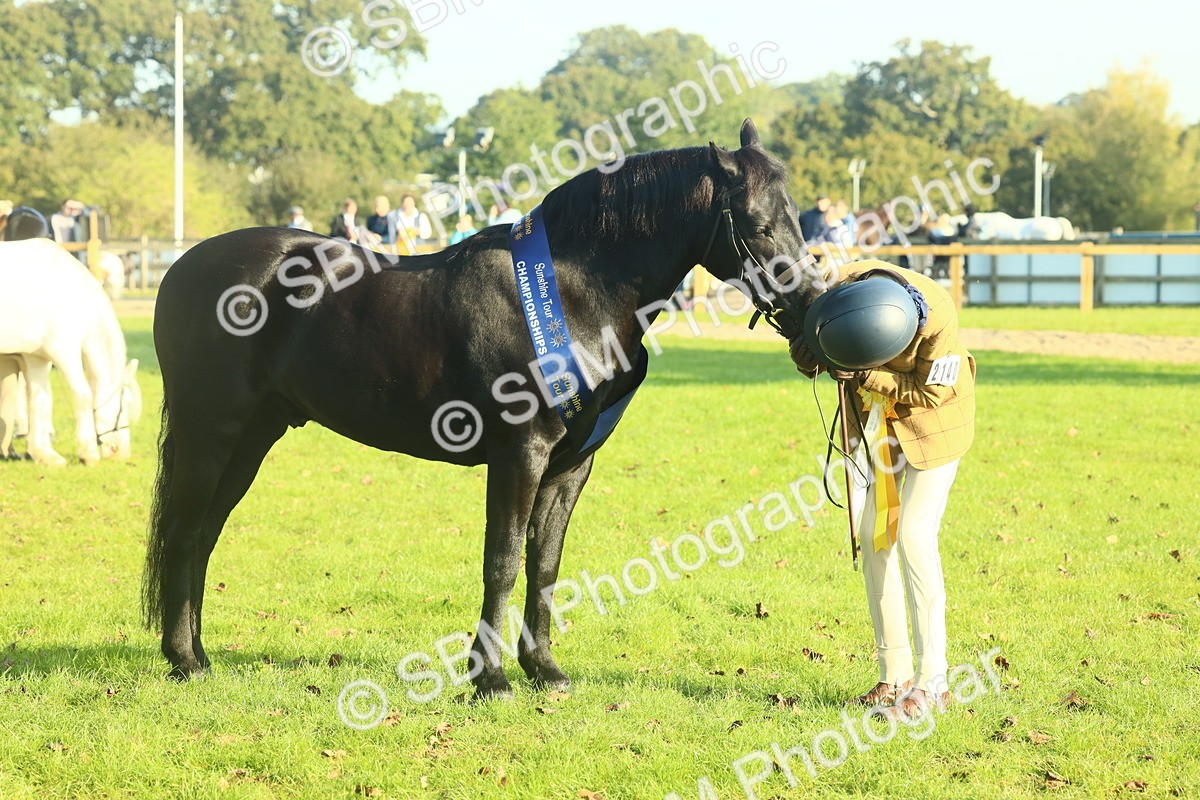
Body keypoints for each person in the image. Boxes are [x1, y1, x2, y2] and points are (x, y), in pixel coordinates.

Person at [789, 259, 976, 722]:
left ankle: (935, 681)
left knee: (913, 534)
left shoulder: (938, 316)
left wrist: (864, 374)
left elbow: (932, 392)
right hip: (880, 428)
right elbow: (807, 339)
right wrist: (808, 352)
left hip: (936, 427)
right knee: (874, 537)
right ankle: (894, 673)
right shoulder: (841, 293)